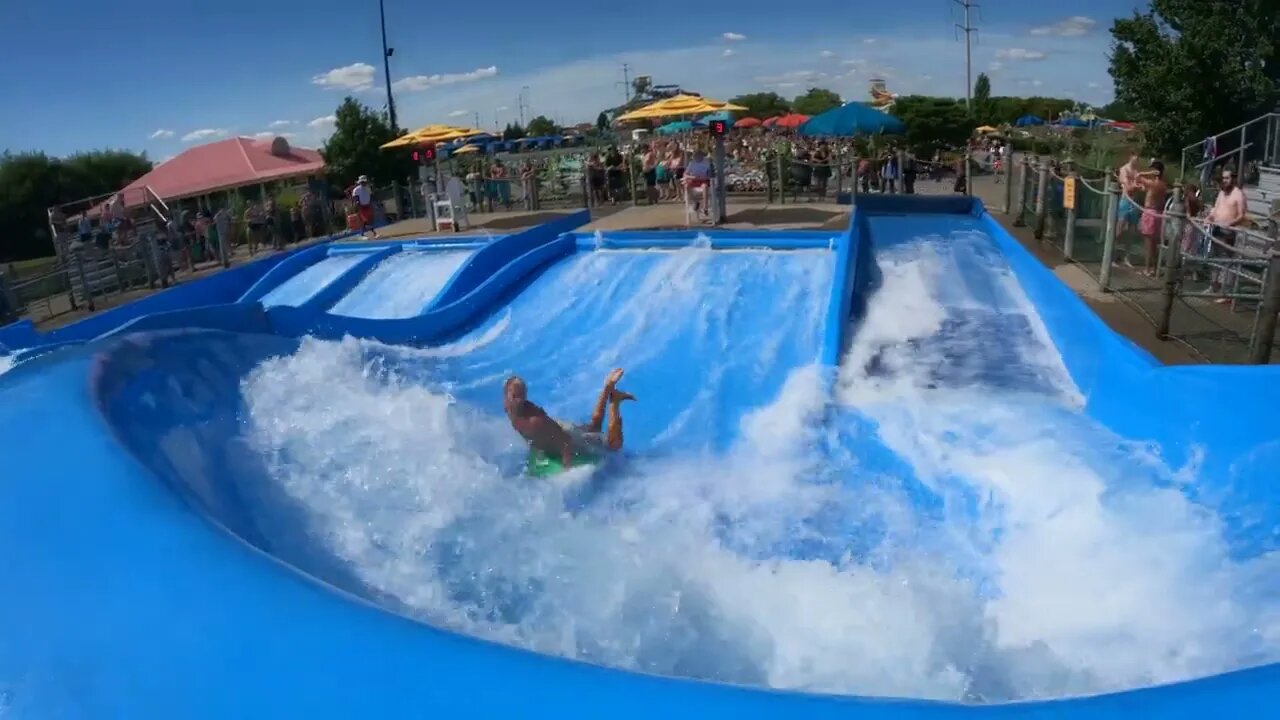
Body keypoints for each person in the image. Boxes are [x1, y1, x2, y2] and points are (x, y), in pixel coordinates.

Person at [504, 369, 635, 470]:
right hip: (559, 427)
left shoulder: (536, 422)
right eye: (514, 396)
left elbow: (565, 442)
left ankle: (615, 402)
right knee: (593, 428)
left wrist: (567, 470)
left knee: (613, 445)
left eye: (521, 396)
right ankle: (607, 388)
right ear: (506, 394)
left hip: (568, 435)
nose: (518, 400)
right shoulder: (508, 408)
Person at [1136, 161, 1169, 276]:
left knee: (1148, 244)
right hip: (1158, 213)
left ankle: (1147, 269)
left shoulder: (1152, 183)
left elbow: (1138, 176)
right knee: (1154, 244)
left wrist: (1148, 172)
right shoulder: (1163, 185)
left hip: (1150, 212)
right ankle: (1154, 268)